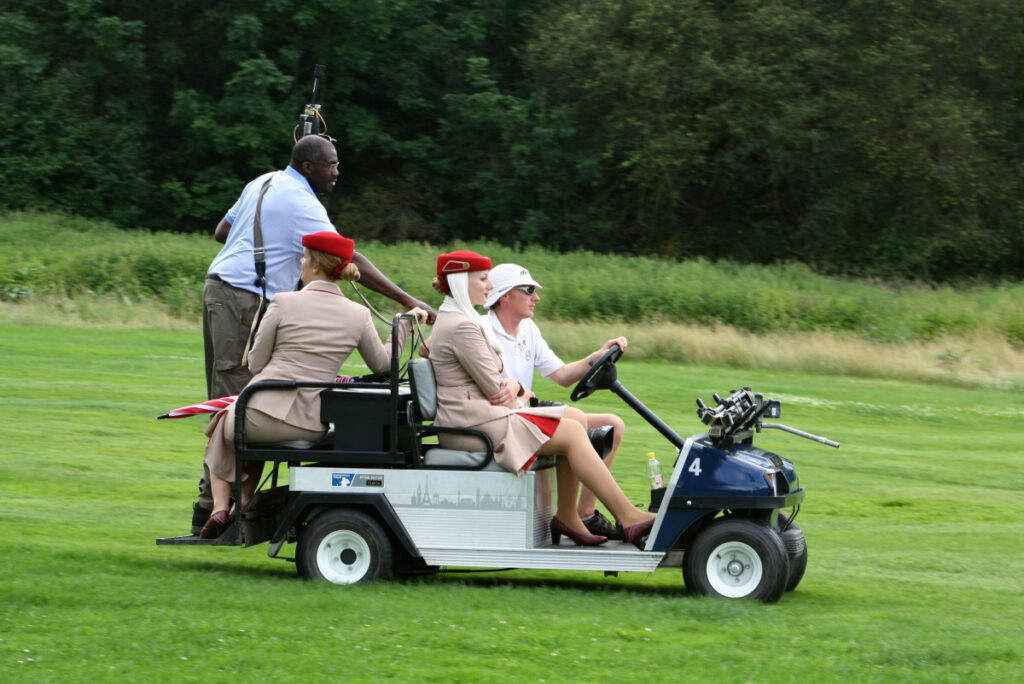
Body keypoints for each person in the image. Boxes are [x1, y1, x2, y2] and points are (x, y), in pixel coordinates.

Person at [193, 134, 435, 534]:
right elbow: (346, 256)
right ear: (309, 167)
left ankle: (223, 505)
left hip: (221, 288)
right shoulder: (303, 203)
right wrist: (412, 303)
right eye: (332, 165)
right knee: (236, 396)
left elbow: (223, 231)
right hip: (246, 297)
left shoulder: (264, 180)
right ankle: (218, 510)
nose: (337, 172)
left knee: (232, 400)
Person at [426, 250, 655, 546]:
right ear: (460, 283)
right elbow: (496, 389)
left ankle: (574, 515)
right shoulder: (467, 325)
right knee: (573, 429)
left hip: (485, 415)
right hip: (476, 422)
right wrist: (518, 390)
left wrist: (594, 358)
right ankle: (624, 516)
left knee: (576, 420)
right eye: (482, 279)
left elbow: (547, 376)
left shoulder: (463, 321)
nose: (488, 285)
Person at [484, 263, 629, 540]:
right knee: (576, 420)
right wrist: (518, 394)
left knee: (614, 425)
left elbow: (562, 375)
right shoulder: (482, 330)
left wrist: (596, 356)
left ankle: (585, 513)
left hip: (527, 412)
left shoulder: (528, 329)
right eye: (528, 291)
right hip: (506, 419)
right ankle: (582, 515)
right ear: (505, 296)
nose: (536, 298)